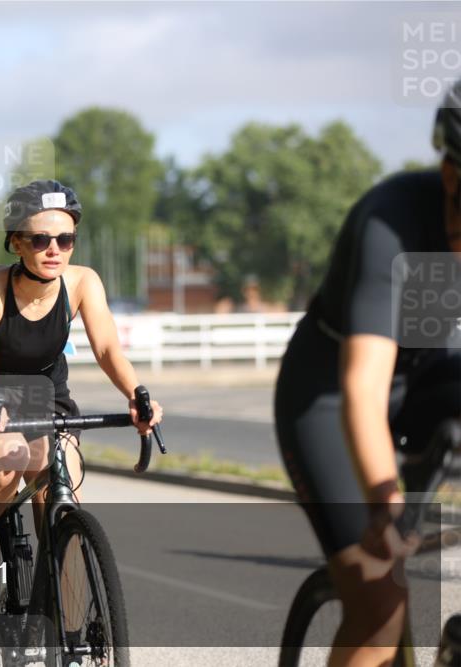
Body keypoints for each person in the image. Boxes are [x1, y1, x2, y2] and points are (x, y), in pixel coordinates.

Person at [275, 80, 461, 666]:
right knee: (380, 601)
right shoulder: (392, 220)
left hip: (431, 375)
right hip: (329, 393)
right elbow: (363, 388)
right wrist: (385, 503)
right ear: (450, 174)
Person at [0, 179, 163, 613]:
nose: (54, 249)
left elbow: (107, 348)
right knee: (8, 456)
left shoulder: (82, 282)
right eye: (40, 239)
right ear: (16, 242)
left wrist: (136, 395)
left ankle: (62, 612)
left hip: (46, 397)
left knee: (62, 482)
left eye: (65, 239)